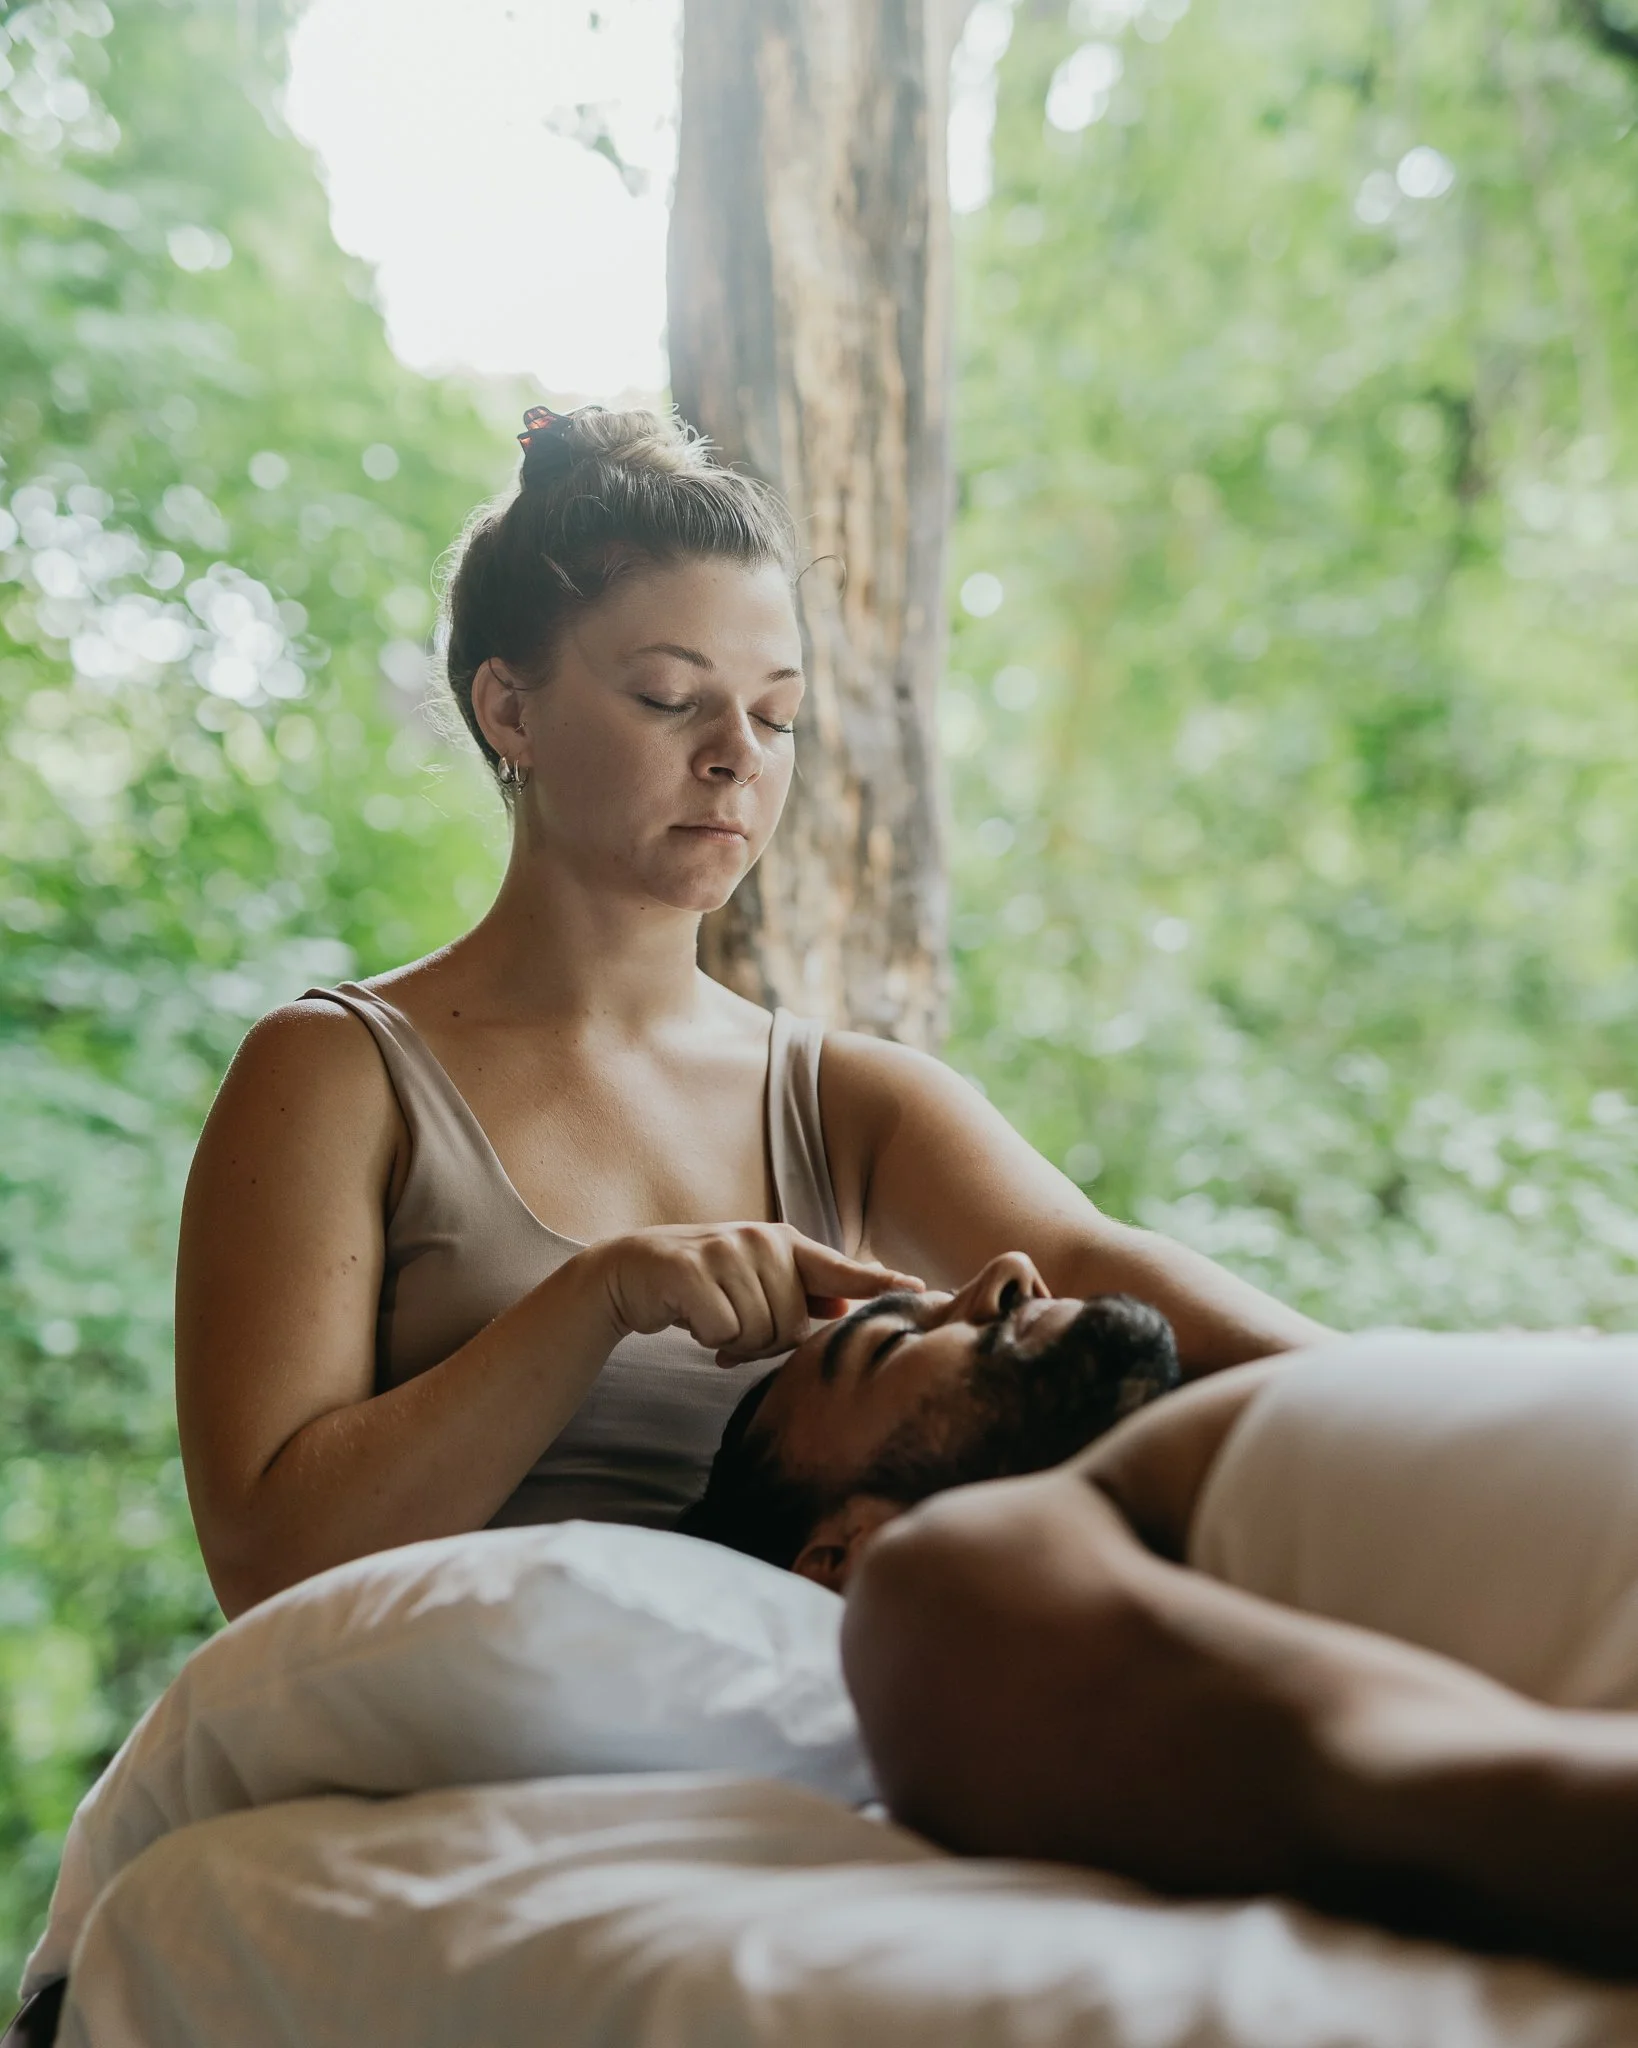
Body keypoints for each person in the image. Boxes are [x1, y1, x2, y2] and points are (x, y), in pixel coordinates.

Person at [175, 405, 1325, 1622]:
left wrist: (1470, 1404)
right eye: (673, 697)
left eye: (776, 714)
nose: (738, 755)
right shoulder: (335, 1074)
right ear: (509, 708)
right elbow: (268, 1563)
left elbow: (1094, 1273)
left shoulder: (851, 1102)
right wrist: (599, 1297)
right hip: (453, 1756)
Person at [682, 1250, 1638, 1978]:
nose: (1009, 1273)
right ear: (836, 1560)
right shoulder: (943, 1582)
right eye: (892, 1341)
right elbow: (1415, 1785)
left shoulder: (1235, 1468)